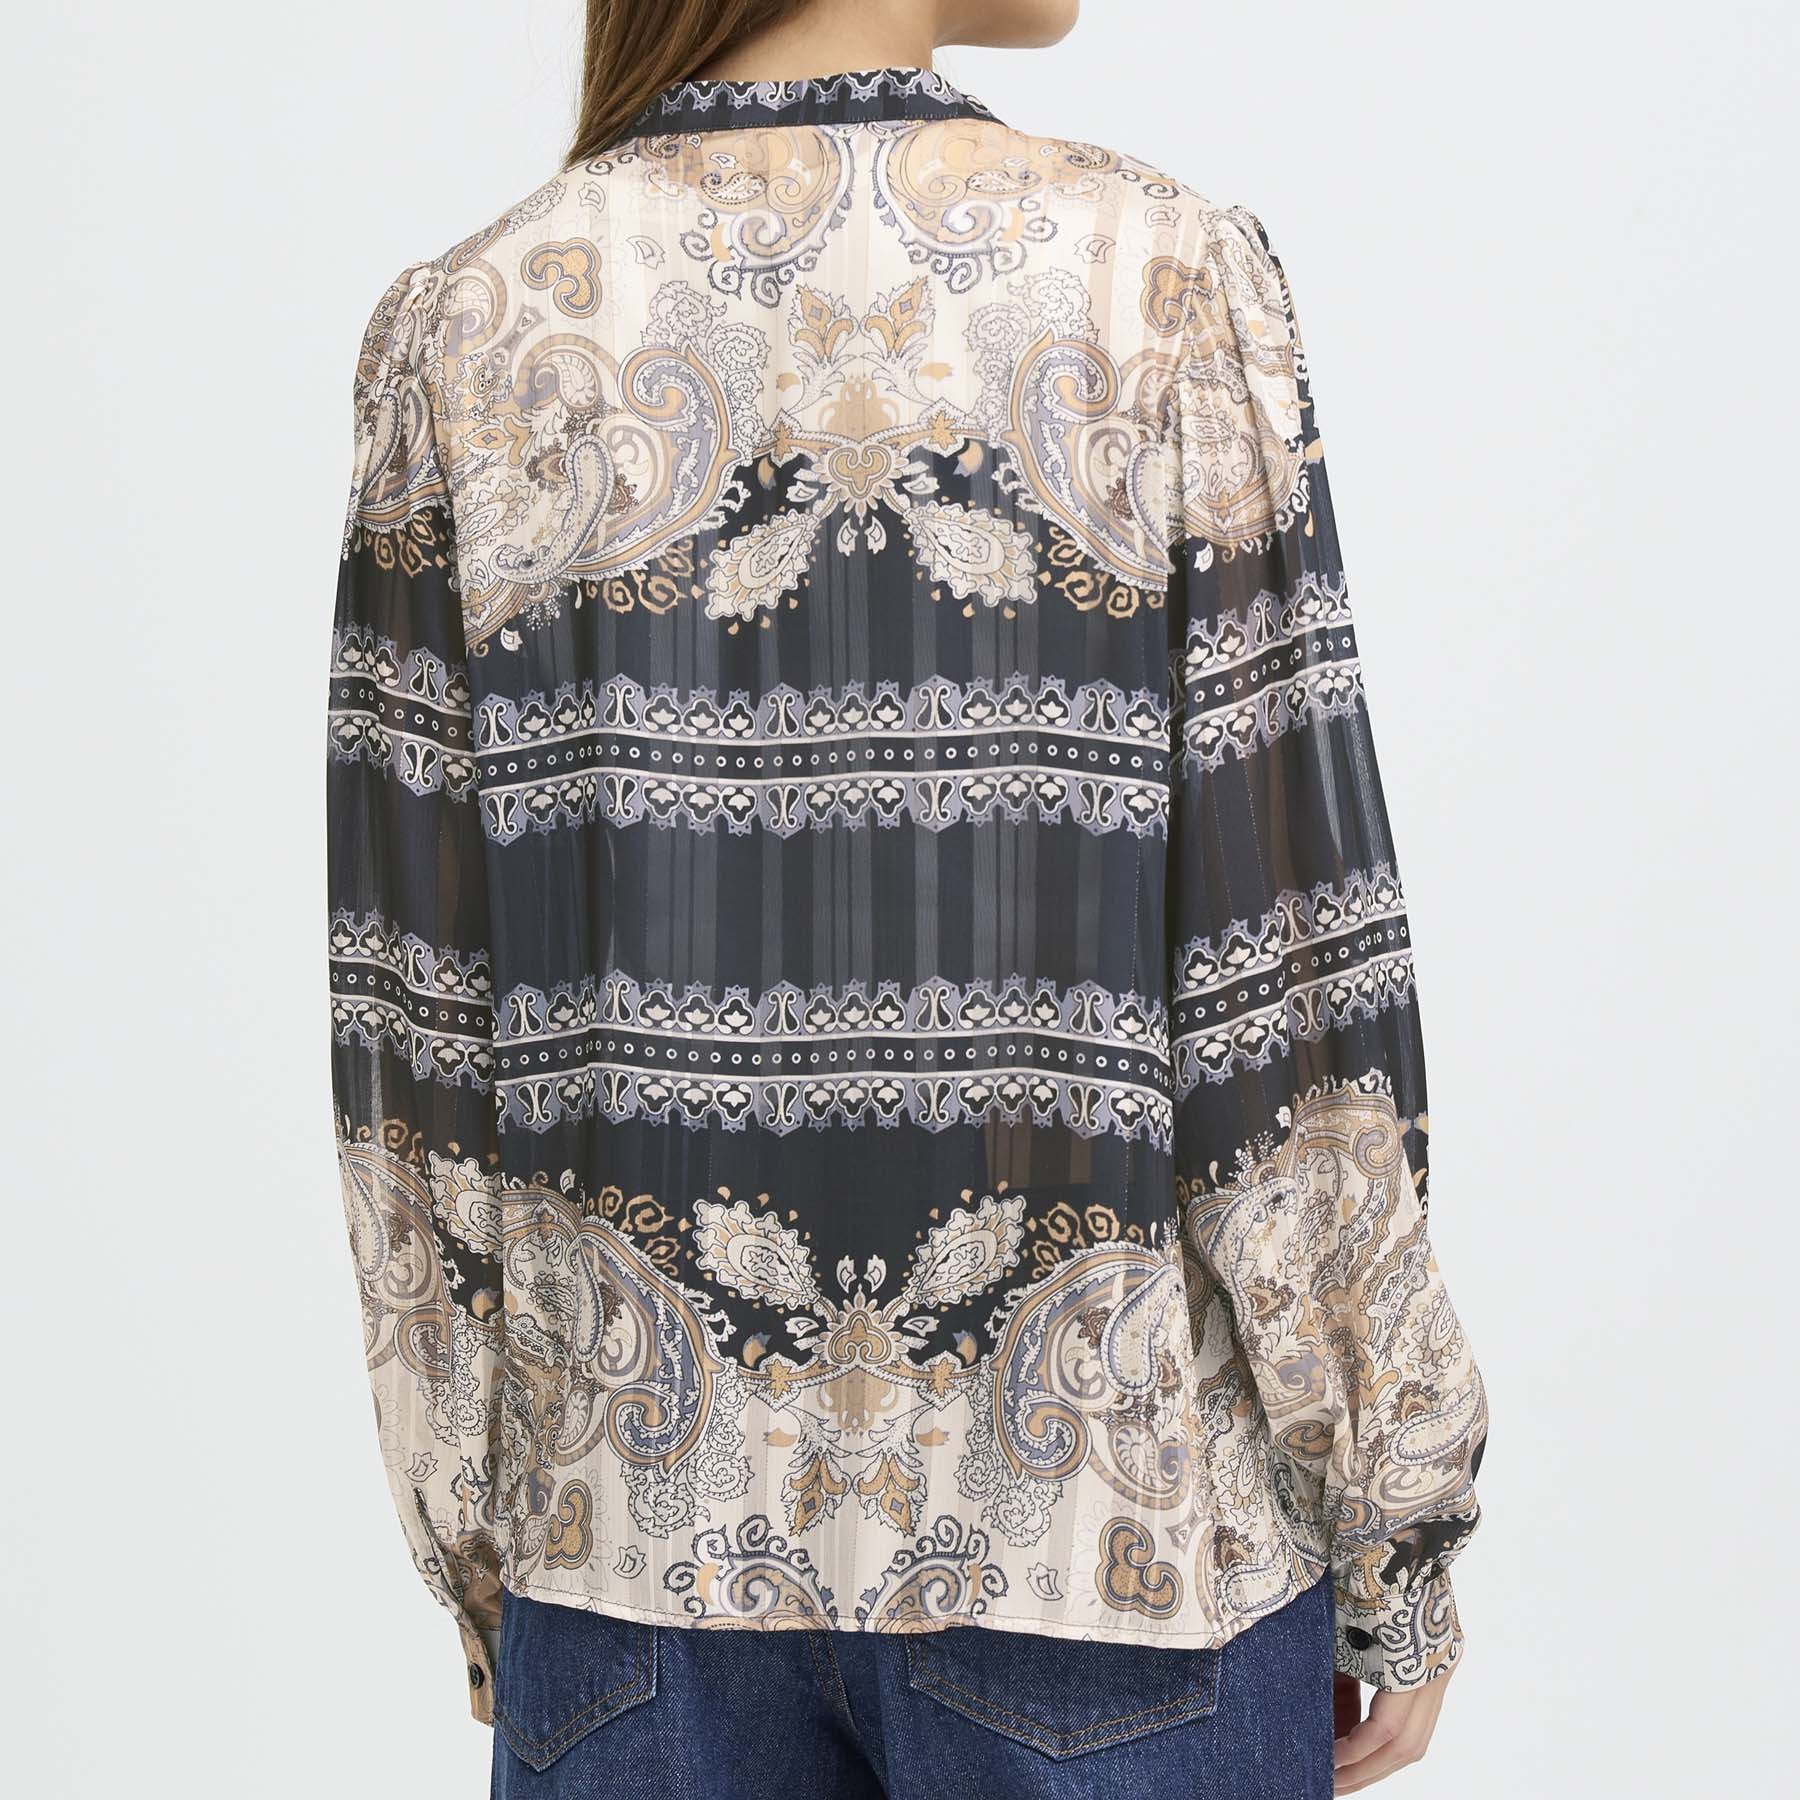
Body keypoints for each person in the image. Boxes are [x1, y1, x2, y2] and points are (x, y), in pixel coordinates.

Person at [323, 1, 1488, 1792]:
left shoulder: (468, 329)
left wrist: (487, 1556)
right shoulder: (1160, 283)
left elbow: (418, 1051)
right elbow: (1284, 995)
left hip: (625, 1567)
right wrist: (1393, 1531)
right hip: (1115, 1553)